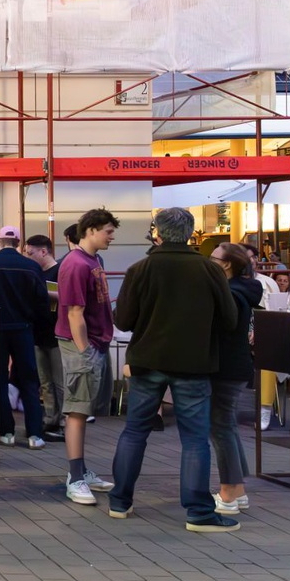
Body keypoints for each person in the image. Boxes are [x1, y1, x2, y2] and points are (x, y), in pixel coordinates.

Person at [108, 208, 239, 532]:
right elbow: (230, 319)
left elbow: (122, 320)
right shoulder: (208, 270)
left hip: (146, 359)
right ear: (190, 233)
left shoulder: (140, 269)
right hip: (193, 362)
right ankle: (198, 511)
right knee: (194, 439)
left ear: (158, 233)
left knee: (134, 432)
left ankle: (120, 501)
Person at [56, 209, 120, 505]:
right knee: (78, 410)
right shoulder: (77, 263)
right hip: (83, 345)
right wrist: (84, 351)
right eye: (108, 231)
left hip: (93, 343)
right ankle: (75, 477)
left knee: (84, 410)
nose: (112, 236)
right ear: (91, 230)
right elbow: (74, 312)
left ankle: (80, 471)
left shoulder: (90, 260)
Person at [0, 227, 51, 450]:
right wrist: (38, 326)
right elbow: (42, 302)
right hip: (24, 329)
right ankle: (34, 434)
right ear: (18, 242)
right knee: (29, 380)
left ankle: (6, 431)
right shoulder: (32, 267)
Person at [209, 243, 261, 515]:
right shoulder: (242, 290)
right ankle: (237, 491)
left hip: (226, 368)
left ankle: (229, 493)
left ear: (227, 264)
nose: (209, 261)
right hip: (235, 367)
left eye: (213, 257)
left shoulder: (232, 293)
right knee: (225, 426)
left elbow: (223, 329)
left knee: (221, 428)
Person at [23, 234, 64, 434]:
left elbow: (67, 296)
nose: (27, 257)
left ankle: (64, 420)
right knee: (45, 381)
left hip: (57, 332)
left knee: (59, 381)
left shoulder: (60, 270)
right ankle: (50, 417)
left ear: (43, 251)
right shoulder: (35, 272)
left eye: (30, 253)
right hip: (38, 331)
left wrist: (42, 292)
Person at [244, 243, 283, 430]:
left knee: (267, 354)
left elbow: (277, 313)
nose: (251, 261)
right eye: (246, 257)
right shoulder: (225, 281)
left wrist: (258, 329)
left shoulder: (268, 283)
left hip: (262, 331)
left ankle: (265, 408)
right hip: (234, 333)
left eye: (253, 257)